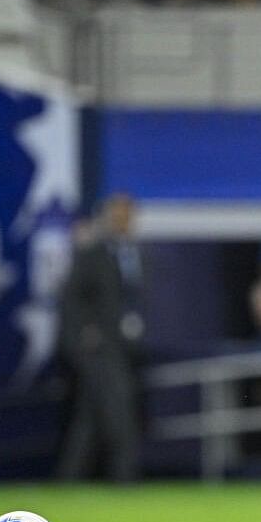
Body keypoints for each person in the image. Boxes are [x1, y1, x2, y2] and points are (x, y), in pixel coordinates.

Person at [57, 193, 145, 482]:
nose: (123, 222)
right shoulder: (92, 253)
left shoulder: (135, 253)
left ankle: (69, 480)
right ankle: (124, 479)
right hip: (98, 349)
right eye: (118, 216)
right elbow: (70, 299)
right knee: (119, 415)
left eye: (127, 217)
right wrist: (83, 334)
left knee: (90, 419)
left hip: (124, 348)